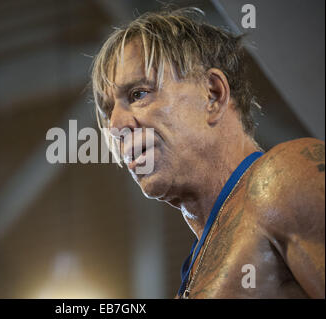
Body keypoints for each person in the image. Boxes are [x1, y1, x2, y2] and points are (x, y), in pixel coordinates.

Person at [90, 8, 325, 298]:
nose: (114, 125)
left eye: (138, 94)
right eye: (107, 110)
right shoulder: (194, 276)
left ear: (212, 94)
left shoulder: (286, 177)